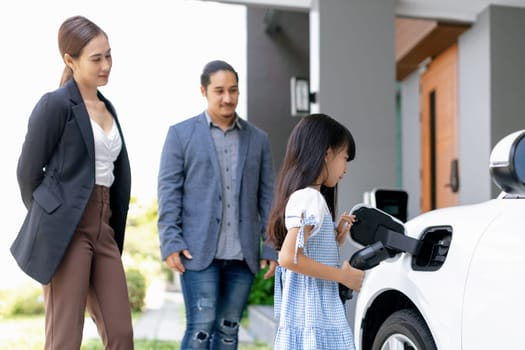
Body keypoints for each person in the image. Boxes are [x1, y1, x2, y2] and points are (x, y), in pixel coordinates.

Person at [10, 15, 133, 349]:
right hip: (67, 230)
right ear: (70, 60)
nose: (106, 64)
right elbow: (28, 173)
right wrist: (53, 216)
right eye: (96, 58)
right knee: (65, 338)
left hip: (104, 229)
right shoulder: (56, 105)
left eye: (109, 55)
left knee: (121, 334)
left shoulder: (108, 108)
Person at [157, 59, 278, 349]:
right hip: (197, 251)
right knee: (200, 329)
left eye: (234, 90)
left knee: (228, 330)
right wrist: (170, 240)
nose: (228, 98)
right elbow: (168, 190)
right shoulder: (180, 134)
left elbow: (268, 196)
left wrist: (271, 244)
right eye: (220, 91)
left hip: (242, 254)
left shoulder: (258, 139)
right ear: (204, 91)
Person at [266, 113, 365, 350]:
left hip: (308, 313)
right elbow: (289, 258)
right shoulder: (310, 198)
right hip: (313, 313)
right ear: (327, 153)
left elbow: (306, 250)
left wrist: (334, 236)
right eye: (345, 158)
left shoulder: (306, 197)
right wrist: (344, 277)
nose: (345, 169)